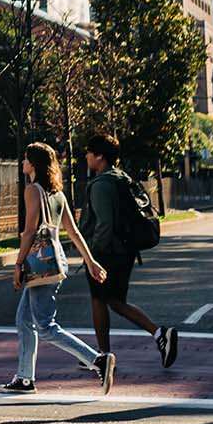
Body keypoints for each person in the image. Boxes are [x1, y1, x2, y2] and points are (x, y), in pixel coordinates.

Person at [1, 143, 115, 395]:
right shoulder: (58, 194)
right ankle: (24, 378)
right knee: (24, 320)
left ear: (34, 164)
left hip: (39, 265)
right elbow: (73, 232)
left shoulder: (32, 190)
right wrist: (90, 261)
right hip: (55, 261)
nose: (22, 163)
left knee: (45, 326)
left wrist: (18, 264)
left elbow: (30, 230)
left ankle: (97, 360)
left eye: (26, 158)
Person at [79, 133, 178, 368]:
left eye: (89, 152)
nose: (86, 156)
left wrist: (92, 254)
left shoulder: (102, 184)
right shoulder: (121, 178)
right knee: (114, 301)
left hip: (107, 253)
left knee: (99, 299)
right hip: (124, 250)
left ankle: (103, 355)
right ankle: (159, 334)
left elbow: (104, 223)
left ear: (99, 156)